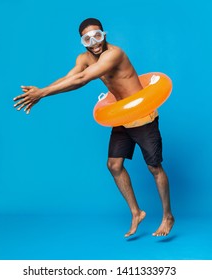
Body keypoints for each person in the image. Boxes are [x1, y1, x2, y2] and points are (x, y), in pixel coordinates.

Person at [13, 18, 174, 238]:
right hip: (121, 116)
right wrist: (42, 91)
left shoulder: (114, 54)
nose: (94, 42)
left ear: (104, 34)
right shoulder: (84, 58)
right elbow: (71, 77)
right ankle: (136, 212)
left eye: (97, 35)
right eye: (87, 38)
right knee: (114, 165)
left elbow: (82, 79)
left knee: (154, 168)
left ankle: (168, 216)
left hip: (142, 115)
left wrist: (42, 94)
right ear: (82, 41)